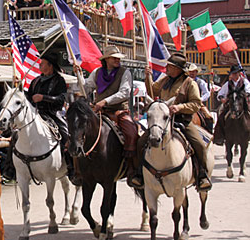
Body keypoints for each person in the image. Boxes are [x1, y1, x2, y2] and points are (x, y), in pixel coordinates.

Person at [143, 53, 211, 191]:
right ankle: (139, 173)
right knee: (141, 142)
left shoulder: (189, 83)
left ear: (178, 69)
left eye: (170, 66)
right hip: (162, 120)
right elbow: (152, 91)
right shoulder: (165, 80)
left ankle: (202, 175)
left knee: (199, 145)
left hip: (182, 121)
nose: (167, 68)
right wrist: (147, 77)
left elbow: (196, 104)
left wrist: (180, 107)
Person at [82, 46, 139, 188]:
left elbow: (125, 92)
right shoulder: (96, 72)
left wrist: (105, 101)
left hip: (119, 111)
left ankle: (132, 169)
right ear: (106, 59)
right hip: (99, 112)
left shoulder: (125, 73)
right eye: (114, 57)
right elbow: (86, 87)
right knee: (78, 132)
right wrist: (80, 79)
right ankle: (77, 169)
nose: (117, 60)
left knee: (132, 133)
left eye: (118, 58)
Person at [26, 52, 70, 183]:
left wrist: (43, 98)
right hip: (36, 113)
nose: (40, 65)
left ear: (50, 66)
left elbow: (61, 99)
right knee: (17, 134)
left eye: (42, 63)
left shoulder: (59, 80)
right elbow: (29, 97)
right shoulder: (35, 81)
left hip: (53, 113)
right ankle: (10, 168)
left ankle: (71, 166)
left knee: (66, 135)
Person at [213, 65, 250, 145]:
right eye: (233, 73)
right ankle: (220, 136)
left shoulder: (245, 82)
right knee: (221, 115)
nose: (234, 75)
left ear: (239, 73)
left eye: (236, 73)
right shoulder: (228, 84)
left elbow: (248, 91)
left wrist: (243, 95)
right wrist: (222, 98)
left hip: (243, 104)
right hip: (231, 104)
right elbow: (220, 93)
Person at [187, 63, 214, 132]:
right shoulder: (185, 81)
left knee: (209, 117)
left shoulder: (200, 82)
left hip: (198, 103)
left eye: (193, 71)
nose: (192, 73)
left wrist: (200, 99)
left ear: (196, 72)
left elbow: (207, 93)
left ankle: (210, 133)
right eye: (190, 71)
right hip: (186, 102)